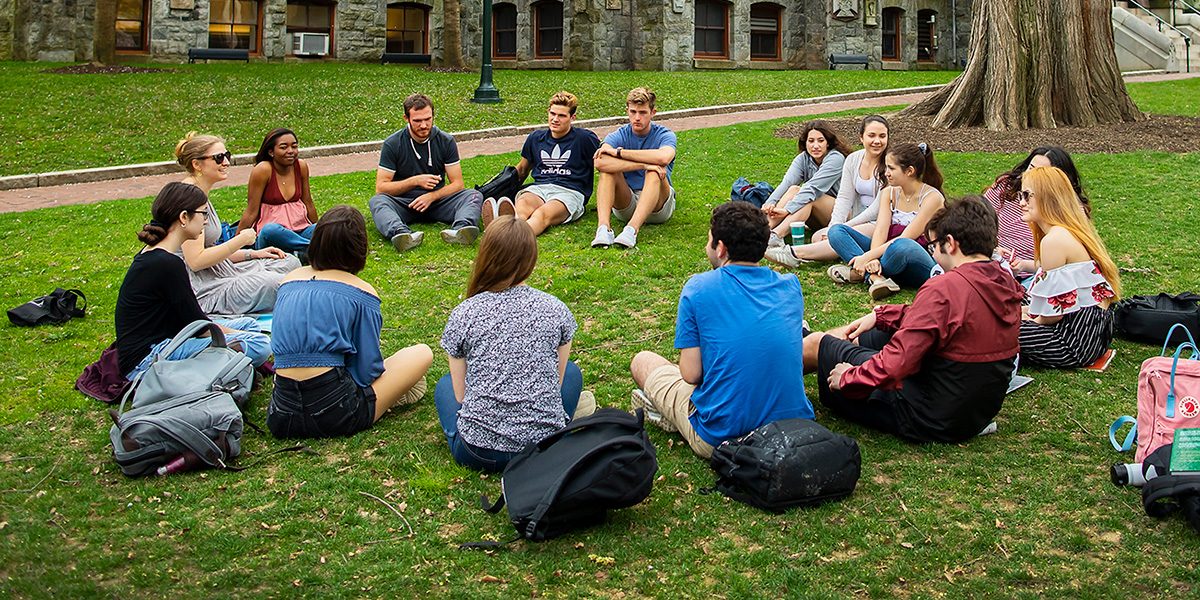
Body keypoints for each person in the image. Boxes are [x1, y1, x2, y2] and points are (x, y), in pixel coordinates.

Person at [802, 196, 1023, 443]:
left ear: (949, 243)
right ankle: (815, 348)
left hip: (925, 415)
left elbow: (898, 363)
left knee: (818, 344)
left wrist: (849, 378)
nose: (933, 253)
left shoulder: (945, 287)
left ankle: (764, 381)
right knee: (865, 333)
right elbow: (948, 321)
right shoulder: (1004, 282)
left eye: (932, 246)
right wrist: (881, 315)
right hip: (971, 414)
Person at [628, 202, 814, 459]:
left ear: (721, 248)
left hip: (722, 435)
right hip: (793, 426)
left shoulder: (699, 288)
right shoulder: (790, 286)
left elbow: (691, 374)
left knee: (643, 361)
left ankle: (672, 413)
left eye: (709, 240)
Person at [267, 206, 433, 438]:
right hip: (337, 412)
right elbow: (367, 372)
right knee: (422, 353)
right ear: (359, 247)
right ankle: (390, 396)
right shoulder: (361, 291)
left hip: (282, 414)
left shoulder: (289, 281)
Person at [436, 216, 583, 472]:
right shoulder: (556, 309)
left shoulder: (464, 313)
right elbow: (555, 384)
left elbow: (460, 395)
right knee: (570, 372)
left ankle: (467, 431)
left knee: (445, 385)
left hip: (478, 452)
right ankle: (562, 422)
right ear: (531, 259)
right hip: (543, 449)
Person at [116, 182, 271, 381]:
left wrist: (238, 332)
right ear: (183, 217)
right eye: (203, 214)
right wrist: (238, 335)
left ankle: (226, 359)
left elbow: (189, 320)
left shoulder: (154, 254)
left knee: (249, 324)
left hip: (167, 337)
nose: (206, 222)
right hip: (149, 360)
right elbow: (199, 326)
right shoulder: (167, 263)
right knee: (260, 343)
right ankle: (224, 362)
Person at [175, 132, 301, 315]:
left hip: (220, 270)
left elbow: (211, 253)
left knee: (290, 263)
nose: (226, 162)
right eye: (219, 158)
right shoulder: (189, 199)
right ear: (197, 164)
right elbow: (196, 261)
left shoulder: (199, 193)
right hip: (204, 288)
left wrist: (253, 253)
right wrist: (241, 240)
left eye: (227, 156)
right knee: (280, 285)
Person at [1012, 166, 1120, 369]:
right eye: (1021, 195)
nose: (1021, 202)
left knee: (994, 327)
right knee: (1010, 306)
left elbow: (1054, 314)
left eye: (1027, 195)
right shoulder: (1065, 231)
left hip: (1073, 341)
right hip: (1094, 333)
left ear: (1047, 197)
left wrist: (1029, 318)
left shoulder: (1054, 240)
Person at [825, 142, 945, 300]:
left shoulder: (932, 197)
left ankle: (861, 274)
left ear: (909, 171)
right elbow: (880, 230)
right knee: (836, 231)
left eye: (891, 168)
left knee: (902, 245)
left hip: (916, 258)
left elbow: (907, 237)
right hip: (887, 254)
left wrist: (866, 257)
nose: (886, 173)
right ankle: (876, 278)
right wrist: (872, 259)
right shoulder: (888, 193)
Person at [766, 115, 889, 267]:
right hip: (851, 217)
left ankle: (791, 253)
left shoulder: (890, 163)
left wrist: (842, 228)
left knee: (812, 199)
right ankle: (763, 230)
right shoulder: (853, 159)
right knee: (816, 237)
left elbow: (877, 210)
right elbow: (845, 198)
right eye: (871, 135)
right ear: (861, 137)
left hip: (878, 222)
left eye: (882, 136)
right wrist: (770, 203)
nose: (877, 141)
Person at [368, 93, 483, 252]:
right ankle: (402, 234)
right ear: (406, 118)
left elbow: (458, 183)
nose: (423, 125)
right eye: (417, 121)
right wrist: (415, 181)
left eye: (428, 119)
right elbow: (381, 188)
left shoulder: (445, 141)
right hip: (405, 203)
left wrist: (432, 196)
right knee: (377, 201)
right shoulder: (393, 144)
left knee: (473, 195)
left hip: (437, 202)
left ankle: (462, 230)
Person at [483, 91, 602, 236]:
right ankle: (506, 227)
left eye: (562, 116)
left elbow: (604, 164)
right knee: (522, 207)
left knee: (541, 214)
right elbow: (522, 169)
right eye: (552, 114)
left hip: (569, 192)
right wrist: (501, 187)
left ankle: (508, 236)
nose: (555, 119)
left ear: (573, 117)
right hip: (539, 189)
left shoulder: (585, 138)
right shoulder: (535, 138)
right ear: (548, 112)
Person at [591, 87, 677, 249]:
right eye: (633, 112)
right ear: (627, 111)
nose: (637, 118)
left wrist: (619, 153)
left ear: (653, 113)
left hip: (658, 207)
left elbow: (663, 157)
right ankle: (603, 229)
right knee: (608, 171)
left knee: (654, 170)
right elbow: (600, 162)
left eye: (643, 112)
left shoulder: (665, 134)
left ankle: (632, 230)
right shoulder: (619, 134)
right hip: (627, 202)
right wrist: (643, 163)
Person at [984, 146, 1090, 272]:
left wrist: (1024, 265)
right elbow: (977, 218)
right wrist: (992, 252)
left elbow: (1047, 284)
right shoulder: (1006, 186)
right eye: (1031, 168)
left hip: (1030, 276)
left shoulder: (1054, 238)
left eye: (1040, 173)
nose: (1022, 203)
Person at [761, 120, 850, 246]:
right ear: (805, 142)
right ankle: (762, 231)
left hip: (842, 215)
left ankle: (776, 236)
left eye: (820, 140)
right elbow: (786, 183)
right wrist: (770, 202)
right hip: (816, 215)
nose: (815, 146)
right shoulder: (803, 158)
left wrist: (787, 209)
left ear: (828, 143)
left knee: (809, 196)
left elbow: (813, 189)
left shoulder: (836, 159)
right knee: (793, 189)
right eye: (811, 141)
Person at [237, 128, 318, 255]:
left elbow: (308, 202)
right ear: (271, 152)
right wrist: (236, 246)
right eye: (283, 147)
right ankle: (315, 249)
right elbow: (251, 211)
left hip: (301, 230)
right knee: (270, 230)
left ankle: (301, 251)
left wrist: (319, 229)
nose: (290, 151)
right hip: (274, 236)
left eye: (294, 146)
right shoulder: (263, 170)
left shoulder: (301, 166)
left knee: (322, 228)